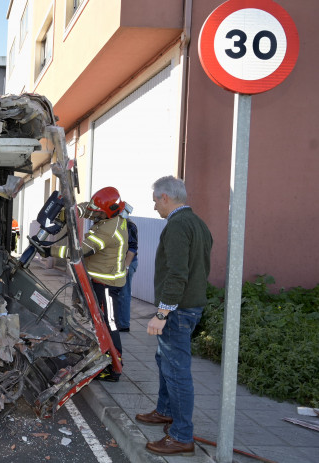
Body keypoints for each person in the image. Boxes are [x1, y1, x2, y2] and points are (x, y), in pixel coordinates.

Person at [137, 175, 212, 457]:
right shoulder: (198, 224)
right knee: (164, 359)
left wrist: (162, 313)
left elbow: (177, 273)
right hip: (189, 306)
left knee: (176, 370)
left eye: (156, 200)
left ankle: (181, 435)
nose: (154, 205)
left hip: (178, 310)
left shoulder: (178, 226)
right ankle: (165, 411)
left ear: (166, 197)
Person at [76, 186, 128, 382]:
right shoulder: (110, 217)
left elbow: (81, 250)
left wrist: (50, 250)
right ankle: (105, 358)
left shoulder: (108, 230)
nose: (94, 214)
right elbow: (90, 209)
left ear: (109, 211)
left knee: (109, 324)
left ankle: (115, 366)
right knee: (100, 323)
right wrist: (74, 210)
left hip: (107, 284)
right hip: (100, 281)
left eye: (99, 211)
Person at [116, 217, 138, 331]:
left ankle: (124, 325)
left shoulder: (129, 225)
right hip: (116, 262)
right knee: (116, 294)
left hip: (127, 262)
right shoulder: (111, 224)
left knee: (124, 293)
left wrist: (126, 266)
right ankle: (116, 322)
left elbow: (132, 248)